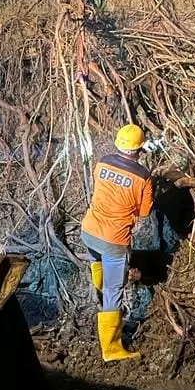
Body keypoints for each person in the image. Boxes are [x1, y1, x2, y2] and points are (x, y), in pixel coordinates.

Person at [80, 124, 154, 362]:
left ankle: (99, 293)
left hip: (89, 230)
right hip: (114, 240)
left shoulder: (102, 162)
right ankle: (111, 349)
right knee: (114, 292)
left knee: (97, 265)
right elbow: (144, 212)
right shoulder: (143, 177)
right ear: (140, 148)